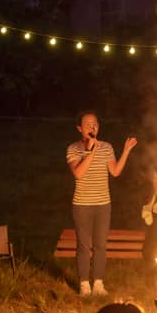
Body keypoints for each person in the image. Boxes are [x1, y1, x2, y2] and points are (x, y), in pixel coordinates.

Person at [67, 110, 137, 296]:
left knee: (100, 245)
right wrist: (91, 151)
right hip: (82, 204)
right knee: (83, 245)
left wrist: (126, 151)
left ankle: (98, 283)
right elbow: (78, 173)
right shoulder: (73, 148)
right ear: (79, 128)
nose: (93, 127)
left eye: (95, 123)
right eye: (88, 124)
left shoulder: (106, 147)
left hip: (103, 203)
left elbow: (114, 171)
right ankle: (84, 285)